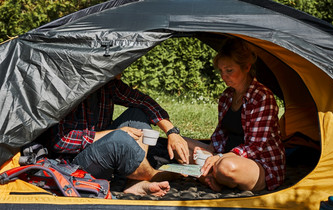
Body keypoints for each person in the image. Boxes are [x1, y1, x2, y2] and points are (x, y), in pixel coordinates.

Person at [41, 74, 190, 197]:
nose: (122, 73)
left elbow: (144, 102)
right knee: (119, 140)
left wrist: (171, 132)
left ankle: (135, 182)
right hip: (74, 163)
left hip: (103, 151)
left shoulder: (108, 85)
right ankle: (154, 175)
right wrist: (113, 133)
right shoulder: (65, 89)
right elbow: (59, 141)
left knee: (137, 114)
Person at [183, 38, 286, 192]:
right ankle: (213, 177)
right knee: (181, 144)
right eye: (221, 71)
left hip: (257, 163)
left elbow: (255, 146)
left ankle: (211, 176)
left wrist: (218, 158)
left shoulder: (262, 97)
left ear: (246, 67)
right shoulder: (226, 96)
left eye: (229, 70)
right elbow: (221, 133)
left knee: (225, 168)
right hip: (226, 153)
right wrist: (210, 150)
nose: (224, 76)